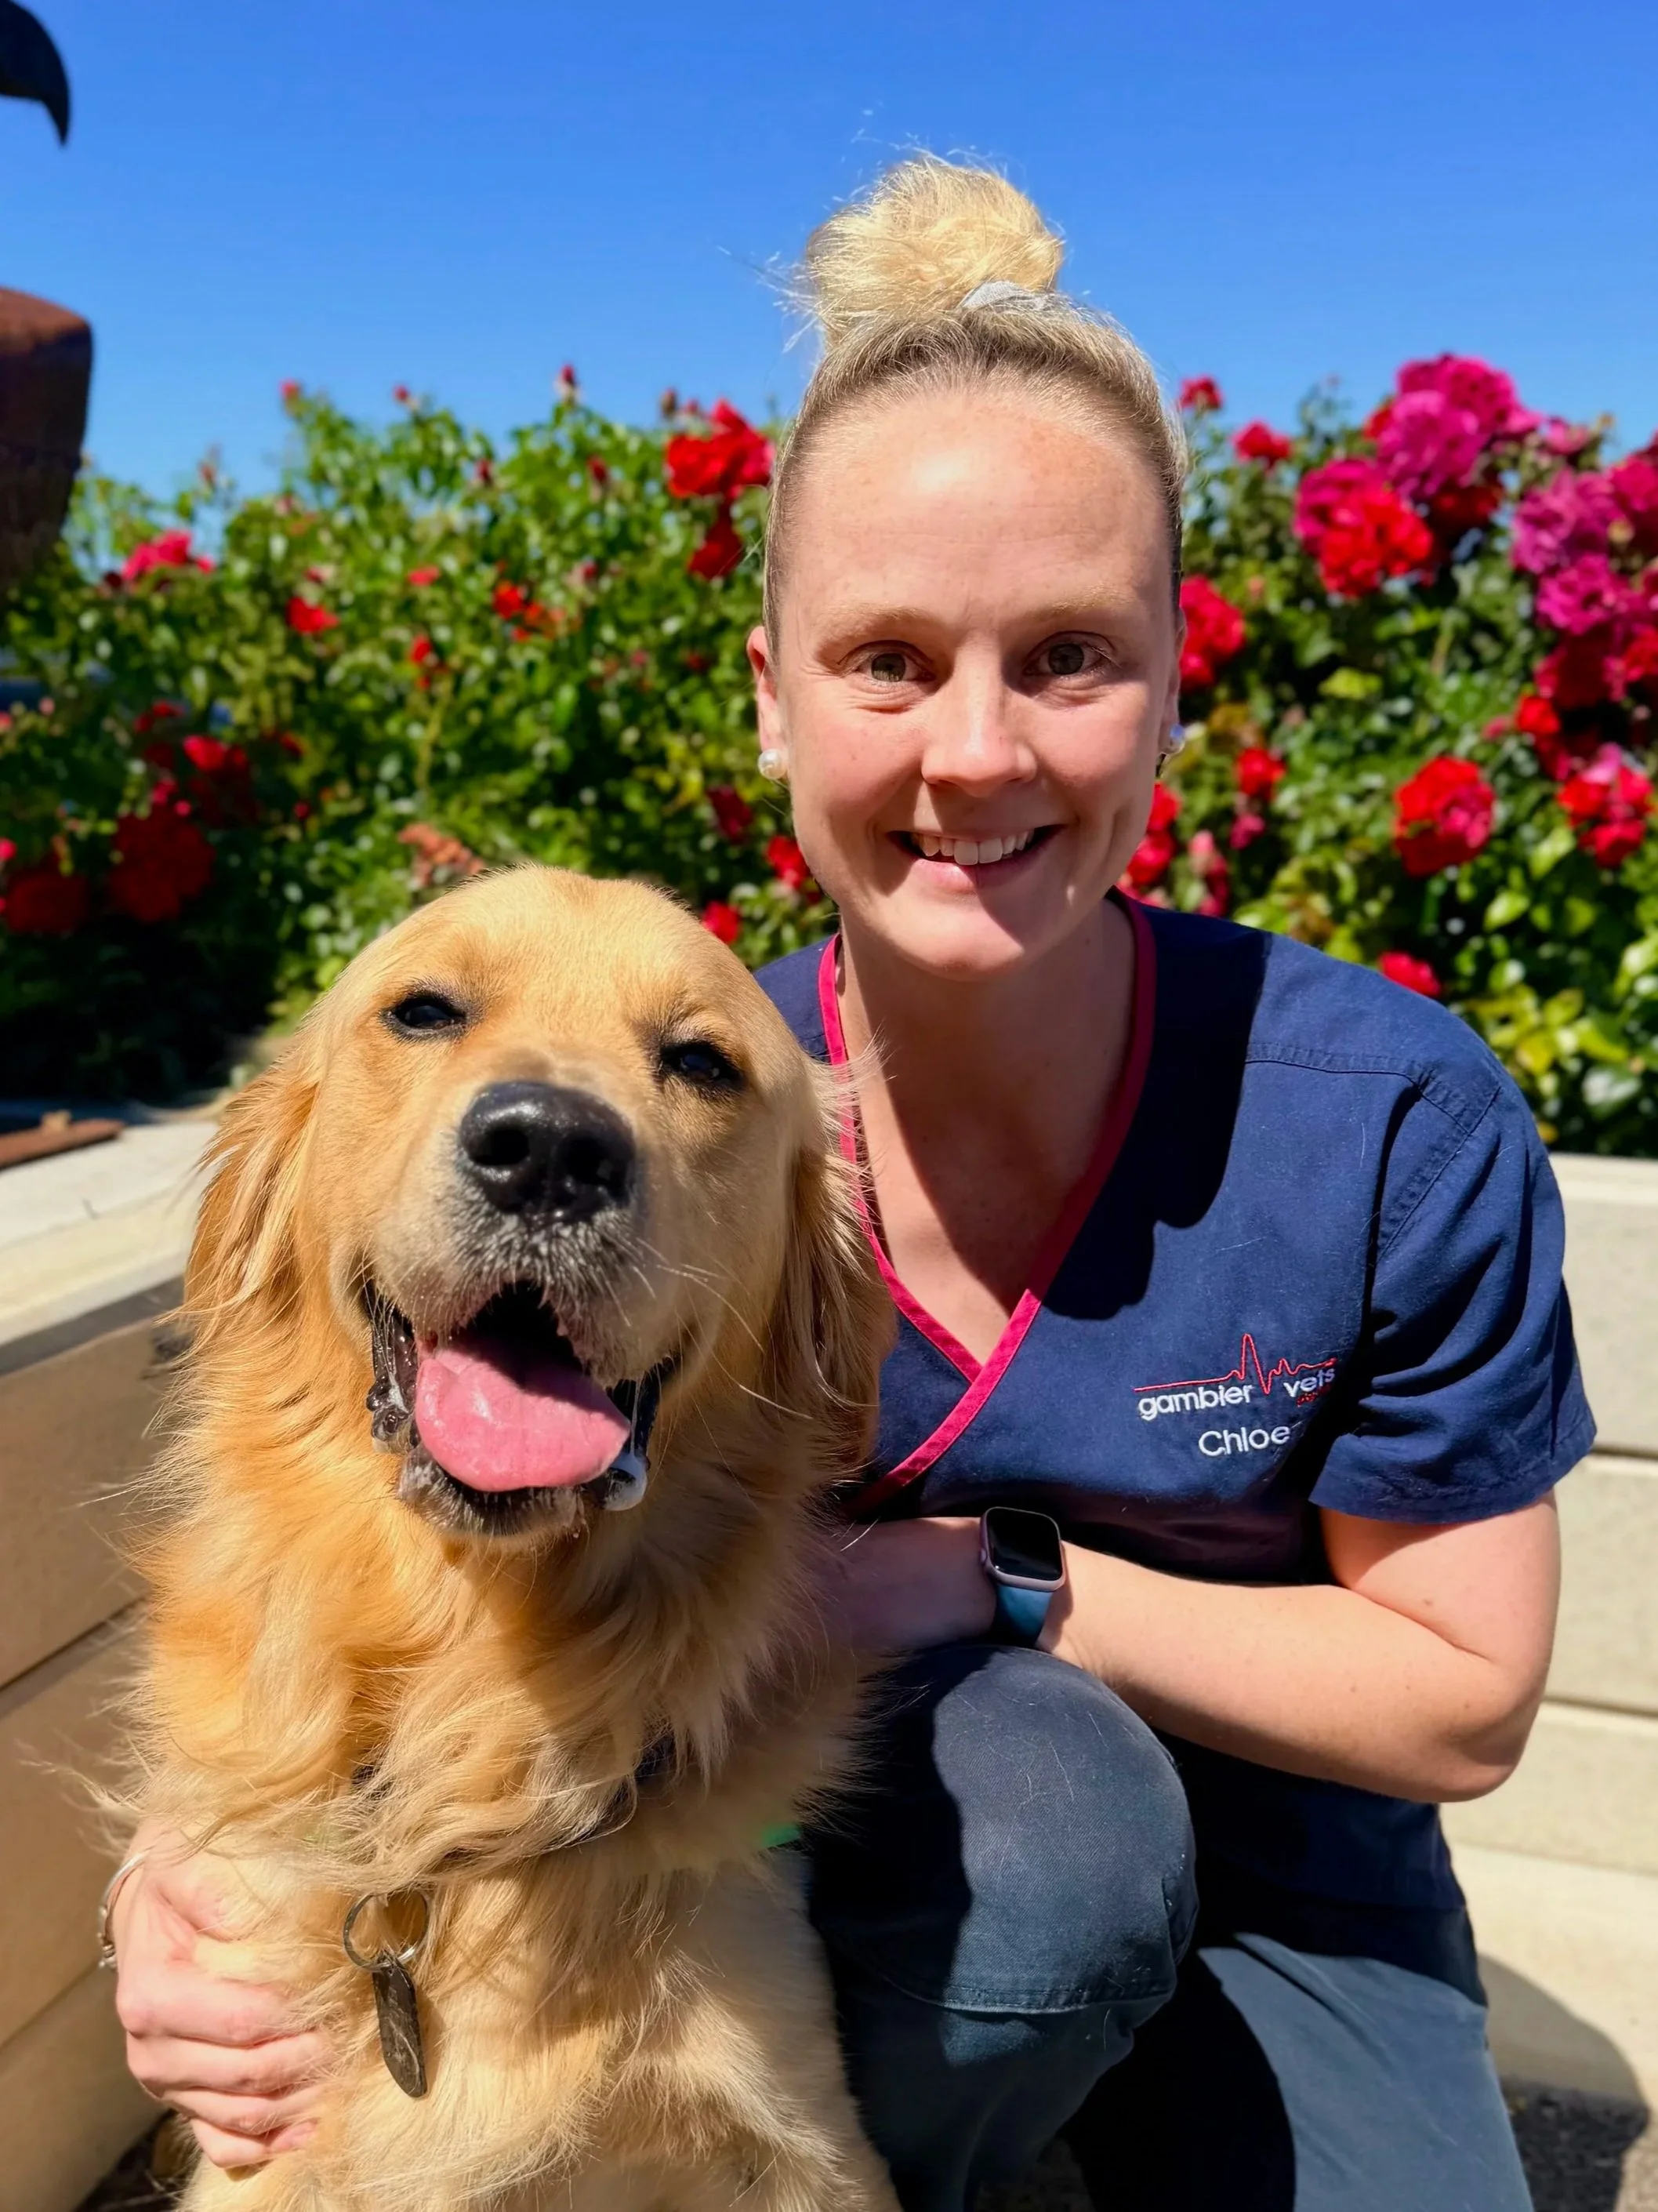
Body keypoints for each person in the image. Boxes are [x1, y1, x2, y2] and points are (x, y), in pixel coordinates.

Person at [108, 158, 1589, 2212]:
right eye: (887, 657)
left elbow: (1461, 1695)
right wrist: (210, 1863)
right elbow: (336, 1531)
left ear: (1174, 686)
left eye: (1067, 654)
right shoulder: (704, 1081)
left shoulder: (1393, 1116)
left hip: (1293, 1879)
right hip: (887, 1843)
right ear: (772, 690)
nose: (971, 749)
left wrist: (999, 1579)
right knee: (1053, 1851)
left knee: (1078, 1836)